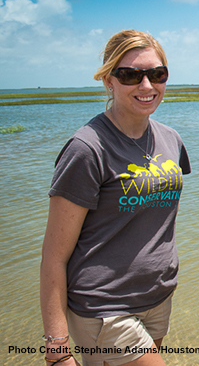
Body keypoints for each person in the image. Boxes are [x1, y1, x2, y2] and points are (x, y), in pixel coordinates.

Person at [39, 29, 190, 366]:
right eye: (130, 75)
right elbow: (54, 255)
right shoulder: (86, 148)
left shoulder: (171, 140)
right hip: (104, 308)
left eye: (157, 74)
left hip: (157, 297)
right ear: (109, 80)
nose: (147, 86)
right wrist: (57, 350)